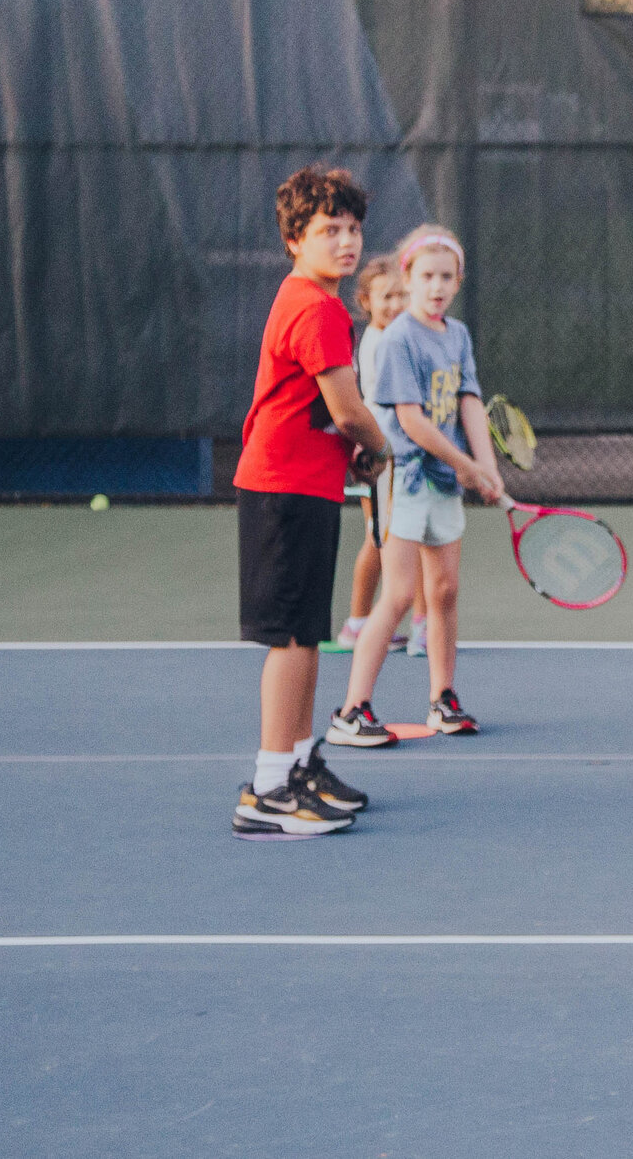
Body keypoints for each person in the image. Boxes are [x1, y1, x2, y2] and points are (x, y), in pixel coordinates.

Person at [230, 165, 391, 838]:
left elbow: (325, 414)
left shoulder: (315, 300)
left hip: (306, 483)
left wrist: (353, 445)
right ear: (295, 239)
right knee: (292, 640)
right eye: (329, 229)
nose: (346, 241)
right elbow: (348, 408)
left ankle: (297, 762)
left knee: (308, 636)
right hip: (282, 489)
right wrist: (383, 449)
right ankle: (267, 788)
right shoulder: (316, 305)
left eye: (353, 228)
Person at [326, 224, 507, 748]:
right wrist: (470, 468)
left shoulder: (458, 336)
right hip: (401, 478)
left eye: (446, 277)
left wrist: (487, 465)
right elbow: (411, 421)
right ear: (409, 278)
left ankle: (442, 699)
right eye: (427, 276)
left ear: (458, 281)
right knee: (401, 594)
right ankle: (353, 709)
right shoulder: (401, 336)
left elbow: (469, 402)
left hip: (443, 482)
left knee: (445, 591)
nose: (437, 287)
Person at [330, 257, 407, 654]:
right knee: (379, 539)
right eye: (387, 296)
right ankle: (357, 625)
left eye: (402, 296)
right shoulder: (381, 344)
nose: (396, 304)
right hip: (378, 458)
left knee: (389, 538)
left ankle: (377, 621)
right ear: (366, 302)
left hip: (393, 456)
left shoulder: (393, 338)